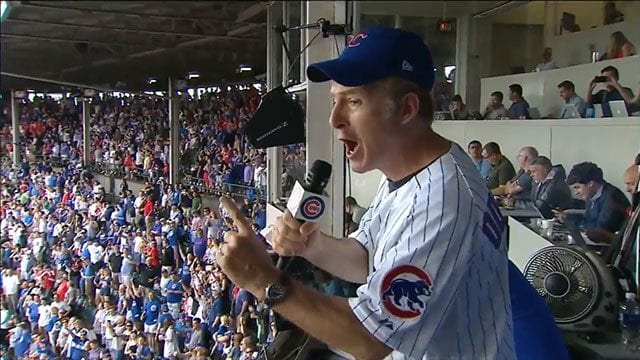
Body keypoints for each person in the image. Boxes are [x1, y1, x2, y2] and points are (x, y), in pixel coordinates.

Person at [214, 26, 567, 360]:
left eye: (352, 101)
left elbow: (371, 338)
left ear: (407, 109)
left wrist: (264, 281)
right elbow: (369, 258)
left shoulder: (440, 201)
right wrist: (312, 247)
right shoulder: (413, 169)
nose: (334, 118)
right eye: (335, 100)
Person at [554, 162, 630, 243]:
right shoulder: (591, 194)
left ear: (590, 183)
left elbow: (598, 231)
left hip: (612, 249)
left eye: (577, 187)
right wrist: (568, 218)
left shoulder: (612, 198)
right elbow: (588, 220)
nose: (576, 192)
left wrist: (571, 221)